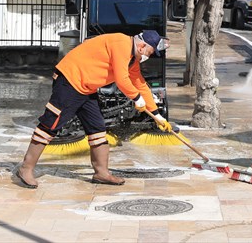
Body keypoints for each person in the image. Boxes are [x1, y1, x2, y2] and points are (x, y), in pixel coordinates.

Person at [16, 30, 172, 188]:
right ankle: (26, 168)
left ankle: (101, 173)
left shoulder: (132, 59)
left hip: (87, 88)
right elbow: (121, 79)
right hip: (70, 80)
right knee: (51, 124)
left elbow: (140, 84)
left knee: (97, 127)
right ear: (142, 46)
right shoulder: (121, 44)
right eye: (150, 52)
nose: (149, 56)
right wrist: (136, 99)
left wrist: (157, 115)